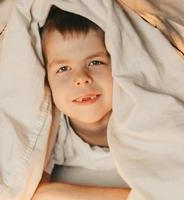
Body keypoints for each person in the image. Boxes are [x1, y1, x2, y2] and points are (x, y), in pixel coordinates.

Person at [32, 6, 130, 200]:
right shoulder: (54, 130)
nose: (81, 78)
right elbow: (39, 193)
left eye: (95, 62)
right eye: (63, 68)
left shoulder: (138, 115)